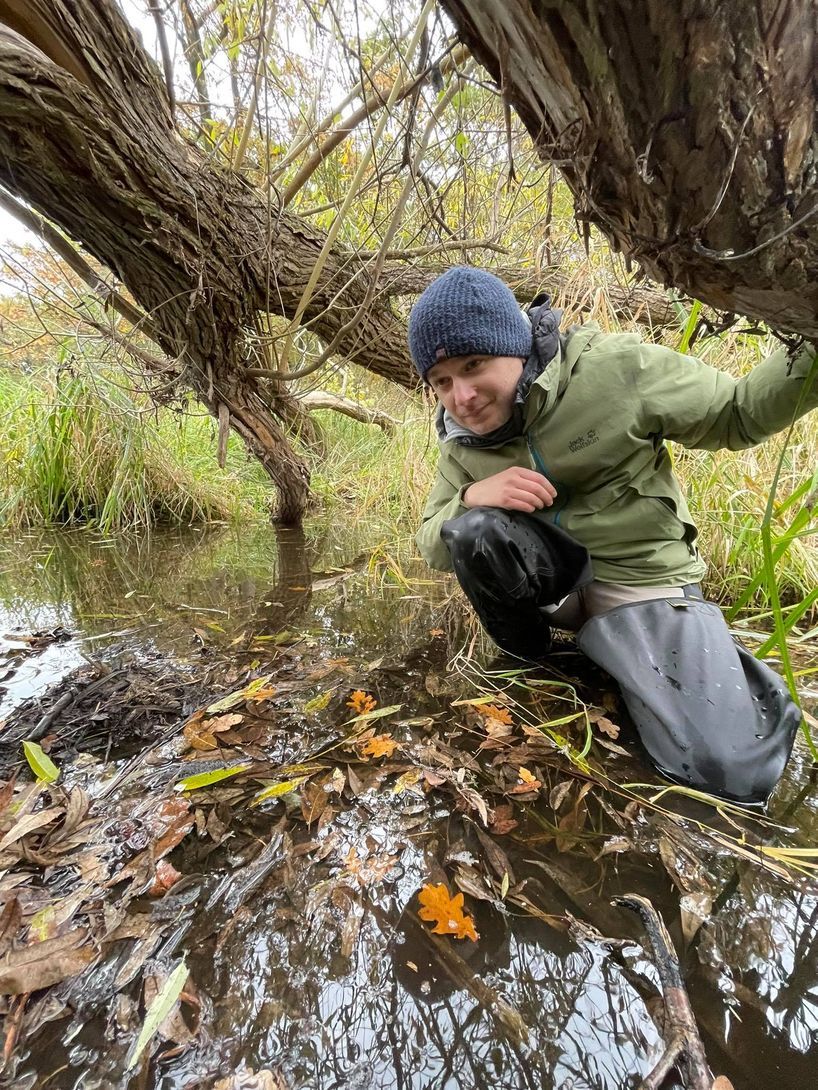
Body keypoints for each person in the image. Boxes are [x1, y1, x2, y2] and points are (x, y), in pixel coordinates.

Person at [409, 267, 818, 805]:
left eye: (473, 365)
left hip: (639, 580)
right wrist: (472, 497)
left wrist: (811, 345)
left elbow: (737, 414)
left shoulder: (616, 370)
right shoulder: (460, 444)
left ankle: (723, 675)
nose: (461, 396)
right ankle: (533, 659)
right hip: (555, 590)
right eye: (441, 381)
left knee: (726, 772)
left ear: (515, 345)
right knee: (474, 531)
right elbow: (431, 541)